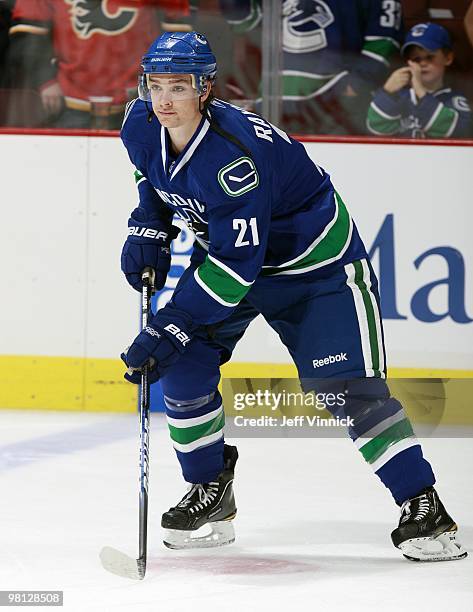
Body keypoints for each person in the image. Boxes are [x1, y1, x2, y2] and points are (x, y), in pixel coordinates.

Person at [119, 31, 467, 560]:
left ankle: (423, 504)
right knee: (183, 368)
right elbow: (154, 175)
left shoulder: (235, 158)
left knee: (345, 387)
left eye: (179, 86)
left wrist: (173, 322)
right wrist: (149, 225)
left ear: (206, 89)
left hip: (313, 269)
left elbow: (238, 268)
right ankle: (210, 490)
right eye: (155, 85)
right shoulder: (140, 122)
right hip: (232, 257)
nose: (164, 100)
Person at [219, 0, 404, 134]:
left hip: (332, 115)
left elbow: (382, 47)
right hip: (271, 108)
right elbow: (244, 22)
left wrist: (347, 91)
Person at [5, 0, 191, 128]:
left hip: (138, 100)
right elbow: (28, 34)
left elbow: (177, 33)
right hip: (69, 103)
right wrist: (44, 79)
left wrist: (161, 85)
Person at [367, 22, 473, 138]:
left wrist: (421, 92)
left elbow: (460, 131)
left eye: (430, 57)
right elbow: (376, 128)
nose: (422, 63)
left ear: (448, 58)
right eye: (416, 59)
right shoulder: (400, 96)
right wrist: (387, 92)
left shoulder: (454, 100)